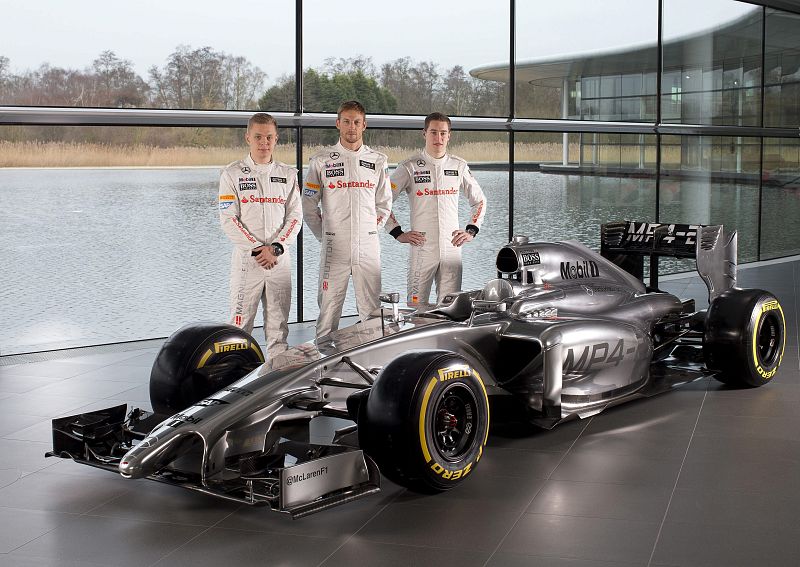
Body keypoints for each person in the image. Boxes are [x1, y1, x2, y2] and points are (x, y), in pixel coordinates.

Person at [302, 100, 392, 339]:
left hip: (368, 246)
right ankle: (321, 368)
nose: (351, 127)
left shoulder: (378, 160)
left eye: (356, 122)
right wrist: (327, 235)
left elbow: (384, 203)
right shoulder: (321, 160)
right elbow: (308, 206)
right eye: (346, 121)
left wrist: (371, 230)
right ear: (337, 123)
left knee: (373, 314)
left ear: (364, 125)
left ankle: (374, 369)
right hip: (334, 248)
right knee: (328, 312)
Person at [218, 112, 302, 357]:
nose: (263, 142)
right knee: (239, 326)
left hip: (279, 259)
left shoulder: (289, 174)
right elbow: (228, 219)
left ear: (276, 139)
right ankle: (234, 379)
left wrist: (275, 247)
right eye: (258, 137)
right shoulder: (231, 173)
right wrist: (257, 248)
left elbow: (295, 218)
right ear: (248, 138)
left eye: (268, 137)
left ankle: (275, 383)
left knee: (278, 329)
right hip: (248, 261)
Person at [386, 112, 487, 306]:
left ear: (449, 135)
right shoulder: (409, 166)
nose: (438, 138)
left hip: (452, 248)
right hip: (422, 247)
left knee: (451, 309)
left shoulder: (459, 166)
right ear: (424, 133)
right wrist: (396, 232)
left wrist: (471, 230)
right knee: (416, 306)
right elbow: (382, 201)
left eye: (443, 133)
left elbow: (480, 200)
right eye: (433, 132)